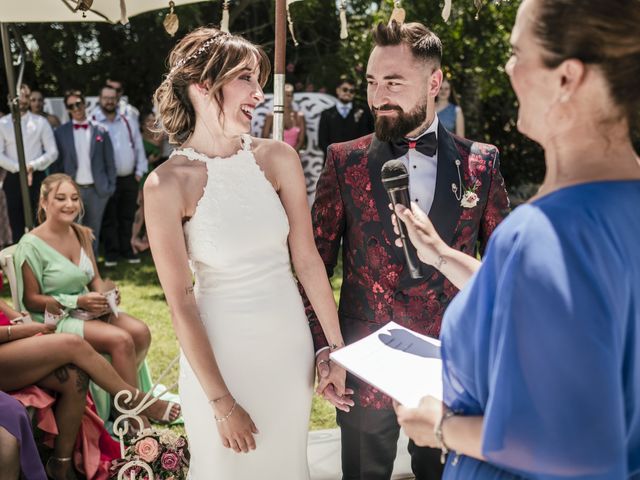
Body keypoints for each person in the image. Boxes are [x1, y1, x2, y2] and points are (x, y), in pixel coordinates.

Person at [393, 0, 640, 478]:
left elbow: (571, 447)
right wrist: (444, 256)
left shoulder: (544, 234)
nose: (509, 68)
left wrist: (442, 428)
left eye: (515, 51)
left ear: (566, 78)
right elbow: (575, 301)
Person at [306, 21, 509, 480]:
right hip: (362, 365)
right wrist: (326, 353)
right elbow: (314, 266)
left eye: (393, 82)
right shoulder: (344, 160)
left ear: (433, 82)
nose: (378, 95)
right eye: (372, 82)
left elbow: (500, 273)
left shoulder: (482, 162)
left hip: (452, 369)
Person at [144, 27, 347, 478]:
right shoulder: (165, 184)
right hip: (220, 357)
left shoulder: (278, 158)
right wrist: (220, 402)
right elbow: (180, 301)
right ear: (202, 85)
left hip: (287, 349)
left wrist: (333, 350)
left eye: (258, 80)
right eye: (246, 79)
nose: (259, 93)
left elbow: (308, 261)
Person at [14, 174, 179, 424]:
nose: (70, 204)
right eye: (61, 198)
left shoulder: (82, 234)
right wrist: (77, 302)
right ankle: (134, 417)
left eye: (74, 198)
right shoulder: (30, 245)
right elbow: (31, 300)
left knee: (140, 331)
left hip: (90, 311)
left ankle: (118, 399)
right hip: (56, 318)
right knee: (121, 340)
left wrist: (107, 293)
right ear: (44, 202)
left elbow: (96, 281)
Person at [0, 299, 180, 480]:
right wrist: (22, 330)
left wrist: (17, 317)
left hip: (11, 337)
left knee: (75, 378)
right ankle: (133, 399)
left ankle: (60, 465)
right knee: (72, 343)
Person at [52, 90, 116, 255]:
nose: (76, 108)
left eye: (78, 104)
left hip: (97, 191)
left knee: (92, 232)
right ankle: (73, 268)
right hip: (72, 191)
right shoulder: (60, 133)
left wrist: (110, 187)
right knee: (71, 231)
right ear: (68, 109)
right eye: (71, 106)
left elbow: (110, 162)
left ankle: (91, 270)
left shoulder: (101, 130)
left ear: (84, 104)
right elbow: (57, 164)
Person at [91, 85, 147, 266]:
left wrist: (139, 172)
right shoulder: (93, 121)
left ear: (117, 99)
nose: (109, 101)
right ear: (100, 99)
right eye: (105, 97)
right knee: (109, 217)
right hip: (106, 179)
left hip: (128, 177)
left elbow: (137, 145)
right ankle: (111, 253)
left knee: (127, 216)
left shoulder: (127, 120)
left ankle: (127, 250)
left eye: (112, 98)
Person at [0, 84, 58, 244]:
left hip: (37, 175)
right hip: (13, 176)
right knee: (15, 220)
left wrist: (33, 165)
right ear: (9, 99)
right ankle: (21, 257)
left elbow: (52, 152)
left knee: (40, 218)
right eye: (17, 96)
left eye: (25, 96)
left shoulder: (41, 122)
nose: (21, 100)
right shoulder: (2, 124)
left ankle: (42, 256)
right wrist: (20, 168)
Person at [317, 75, 374, 159]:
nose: (348, 93)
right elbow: (322, 140)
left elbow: (369, 136)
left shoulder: (363, 112)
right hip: (332, 161)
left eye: (352, 91)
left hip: (357, 160)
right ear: (337, 90)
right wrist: (334, 155)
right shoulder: (326, 114)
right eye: (345, 89)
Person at [261, 83, 306, 151]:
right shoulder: (271, 116)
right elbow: (264, 138)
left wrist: (291, 154)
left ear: (292, 97)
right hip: (274, 154)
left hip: (294, 154)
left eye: (288, 95)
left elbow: (301, 141)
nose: (285, 98)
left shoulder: (299, 116)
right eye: (283, 95)